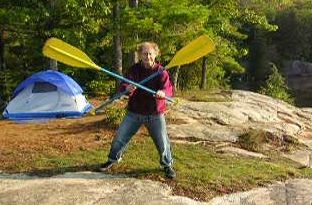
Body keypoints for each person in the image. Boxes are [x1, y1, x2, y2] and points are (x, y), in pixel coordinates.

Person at [98, 42, 176, 179]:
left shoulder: (161, 72)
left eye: (150, 53)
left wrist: (163, 93)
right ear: (140, 55)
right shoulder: (133, 70)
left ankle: (167, 165)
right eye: (145, 54)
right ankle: (112, 160)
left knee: (163, 142)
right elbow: (124, 84)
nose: (148, 56)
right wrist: (127, 89)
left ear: (155, 54)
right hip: (135, 112)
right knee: (120, 137)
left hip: (155, 113)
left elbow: (168, 88)